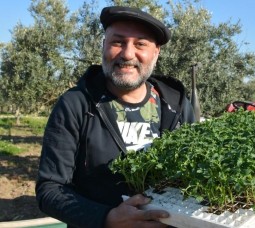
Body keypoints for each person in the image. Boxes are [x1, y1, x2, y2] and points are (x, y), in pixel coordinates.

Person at [36, 6, 195, 228]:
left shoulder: (176, 106)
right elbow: (49, 190)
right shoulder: (76, 104)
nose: (128, 54)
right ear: (104, 46)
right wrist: (107, 218)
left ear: (156, 52)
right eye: (118, 42)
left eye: (140, 44)